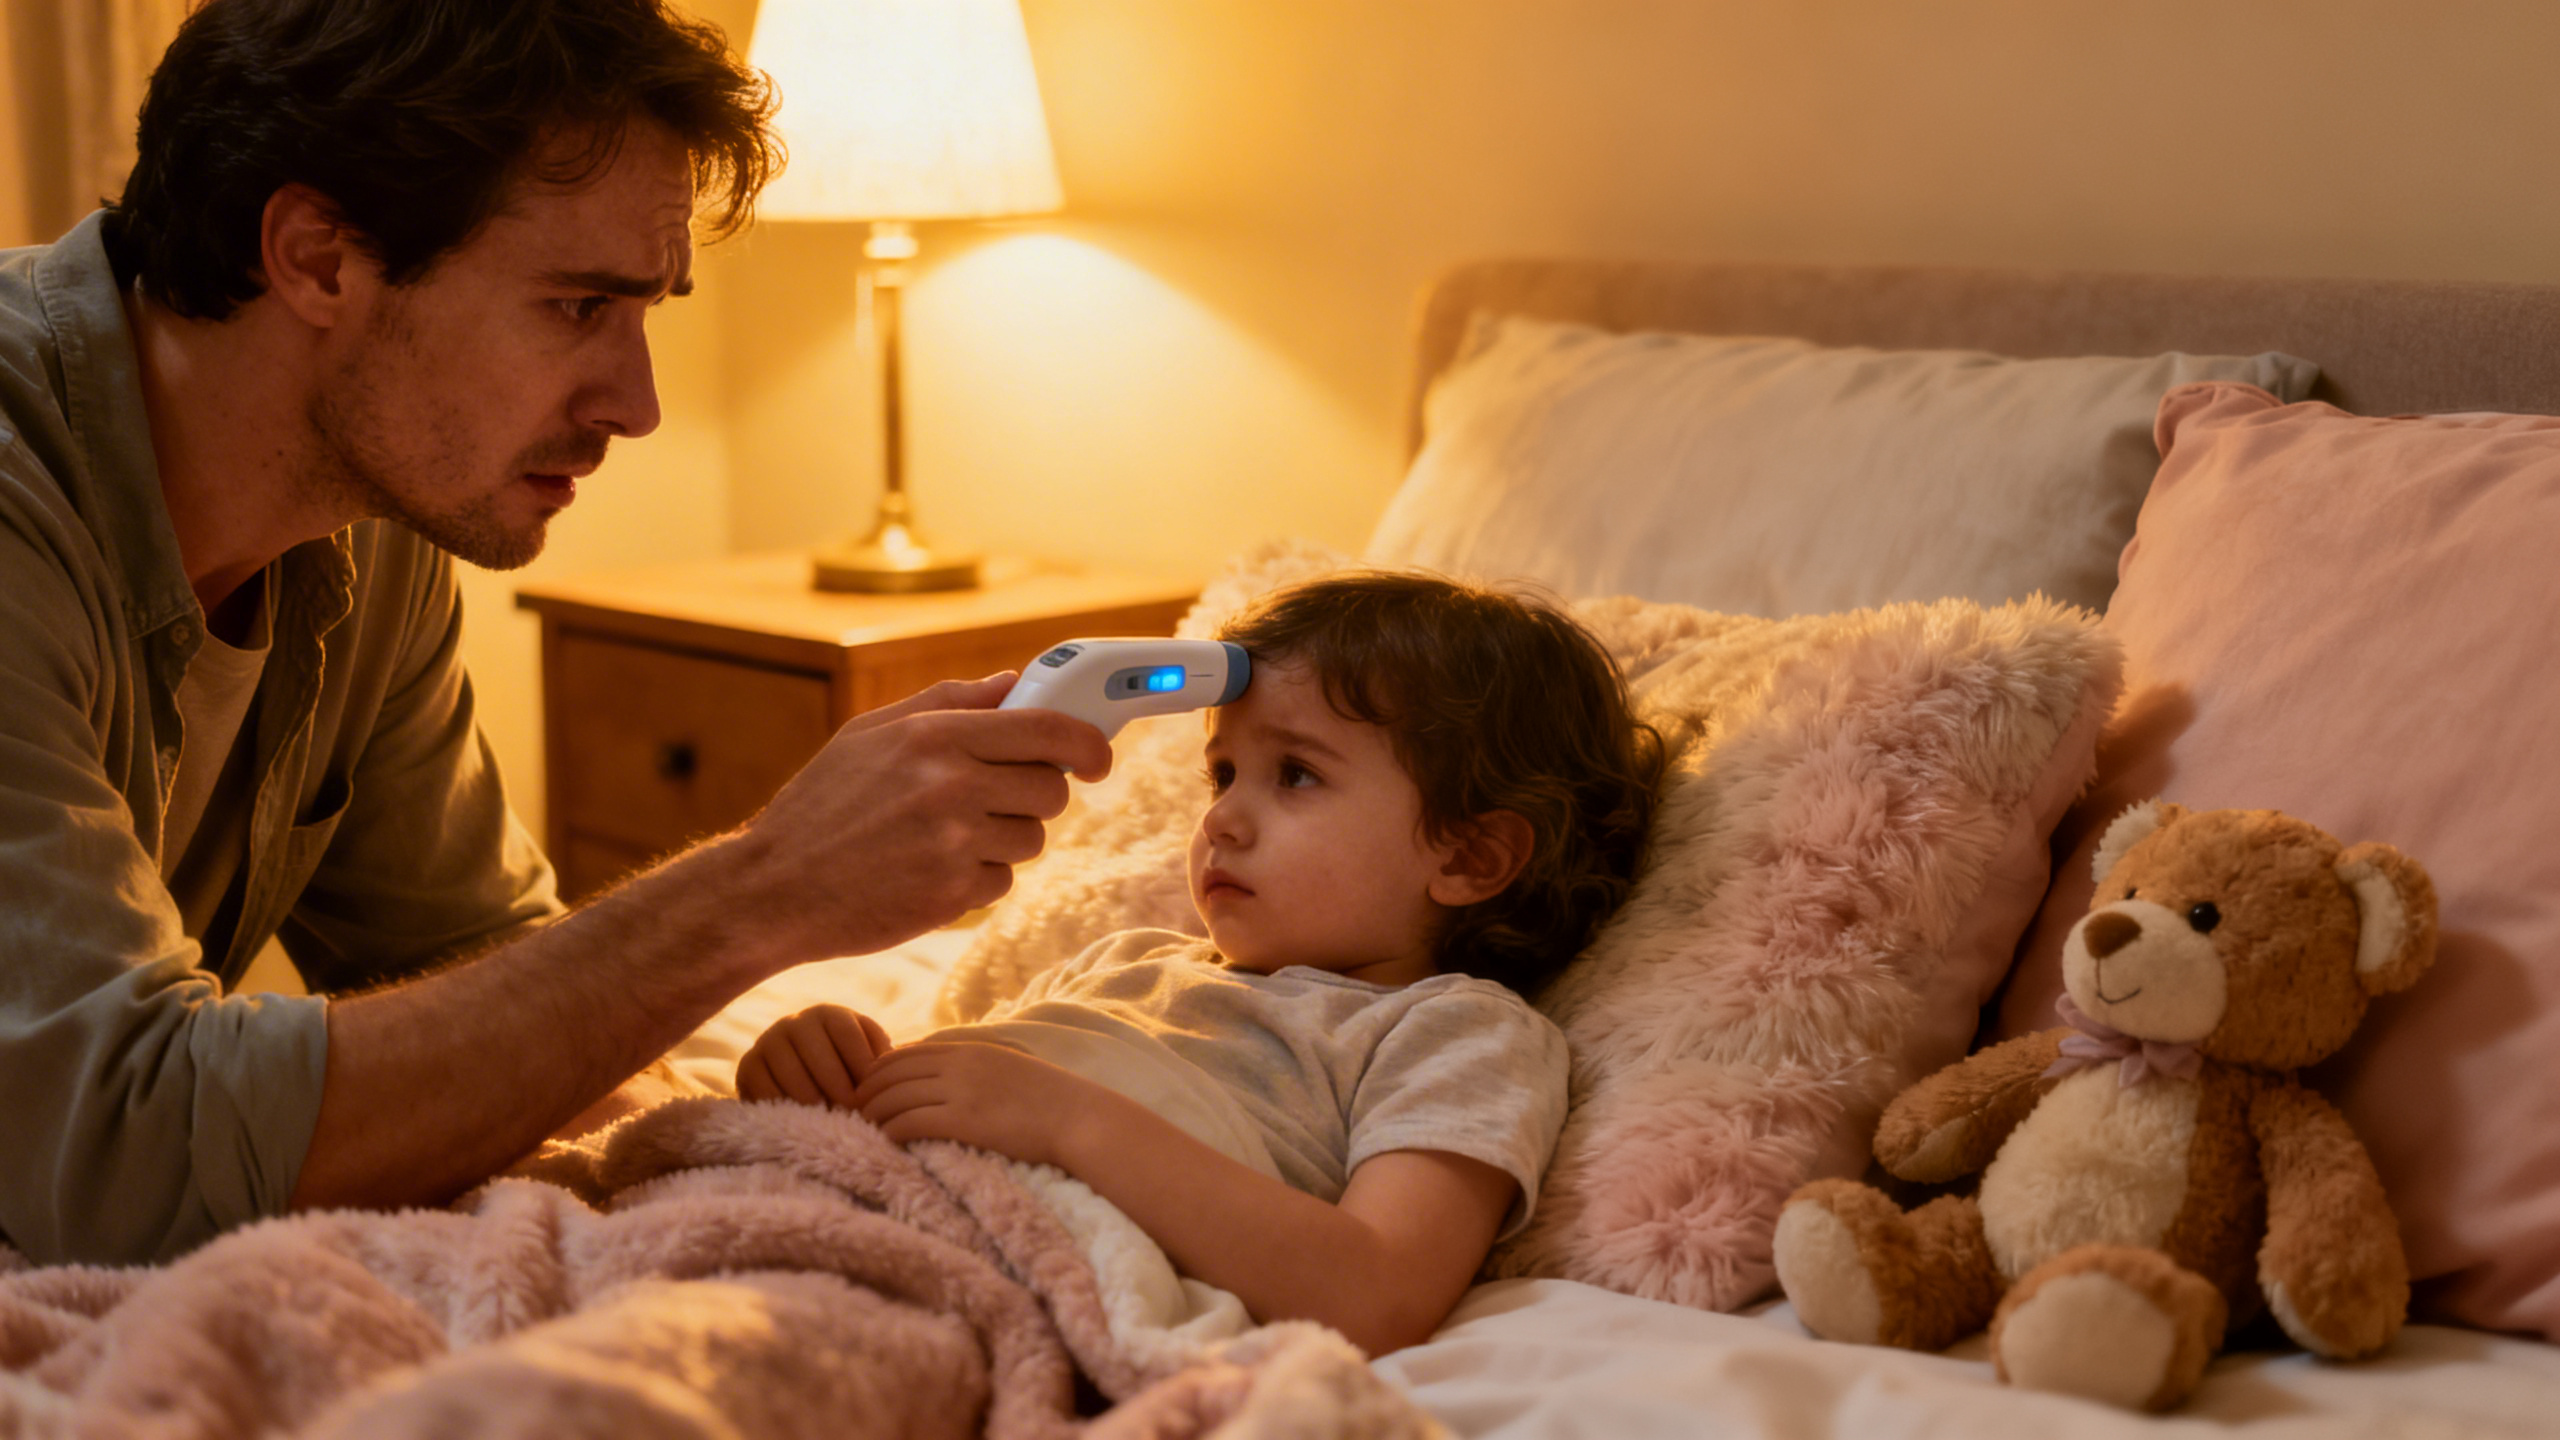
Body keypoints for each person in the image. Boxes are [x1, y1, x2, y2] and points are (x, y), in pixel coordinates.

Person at [0, 0, 1109, 1268]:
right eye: (579, 306)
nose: (635, 406)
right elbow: (119, 1143)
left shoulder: (370, 514)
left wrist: (741, 1137)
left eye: (645, 313)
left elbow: (479, 965)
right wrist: (762, 887)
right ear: (315, 257)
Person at [737, 572, 1669, 1355]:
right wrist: (835, 1074)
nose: (1221, 817)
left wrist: (1064, 1120)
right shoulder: (1128, 961)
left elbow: (1379, 1292)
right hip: (848, 1210)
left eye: (1295, 774)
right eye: (1222, 774)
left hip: (984, 1283)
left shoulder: (1460, 1031)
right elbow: (963, 1102)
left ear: (1468, 857)